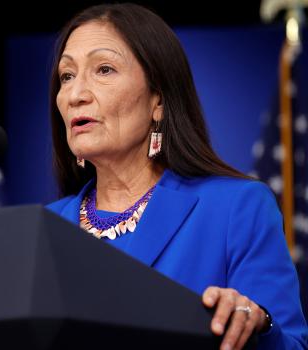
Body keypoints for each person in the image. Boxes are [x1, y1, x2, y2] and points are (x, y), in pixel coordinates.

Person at [45, 3, 307, 350]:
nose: (76, 95)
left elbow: (290, 344)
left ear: (159, 101)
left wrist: (258, 325)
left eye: (104, 69)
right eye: (67, 76)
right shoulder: (46, 228)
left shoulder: (235, 209)